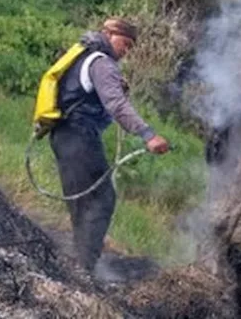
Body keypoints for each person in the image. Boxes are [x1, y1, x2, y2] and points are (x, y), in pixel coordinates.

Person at [49, 17, 169, 275]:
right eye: (125, 43)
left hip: (63, 135)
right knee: (102, 199)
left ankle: (78, 262)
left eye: (130, 47)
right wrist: (148, 134)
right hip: (79, 136)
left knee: (83, 202)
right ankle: (84, 269)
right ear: (110, 34)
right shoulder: (102, 64)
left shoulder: (86, 57)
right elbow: (117, 105)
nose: (127, 51)